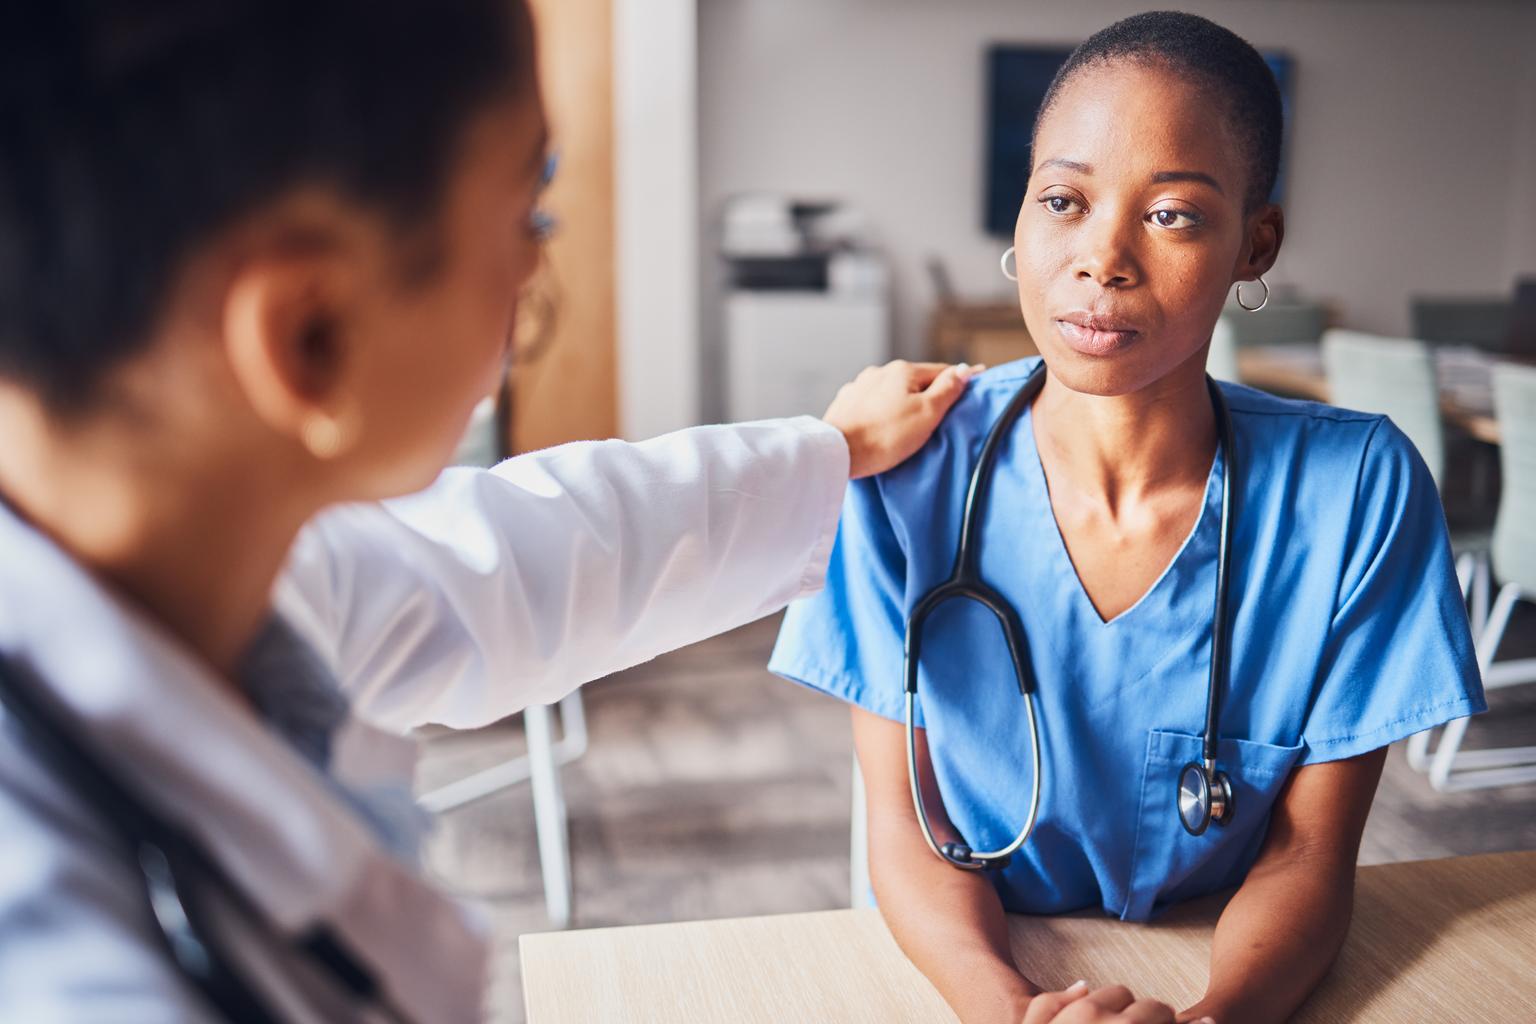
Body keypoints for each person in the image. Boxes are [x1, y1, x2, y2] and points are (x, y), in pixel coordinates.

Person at [0, 2, 981, 1020]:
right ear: (308, 335)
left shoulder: (216, 562)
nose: (531, 273)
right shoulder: (76, 970)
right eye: (526, 219)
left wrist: (831, 453)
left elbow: (522, 553)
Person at [770, 11, 1484, 1024]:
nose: (1101, 258)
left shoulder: (1358, 490)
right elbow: (907, 825)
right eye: (1063, 199)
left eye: (1174, 215)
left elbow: (1307, 854)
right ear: (1022, 217)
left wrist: (1213, 1019)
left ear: (1255, 241)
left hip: (1230, 950)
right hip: (983, 949)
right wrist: (1010, 1010)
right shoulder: (902, 471)